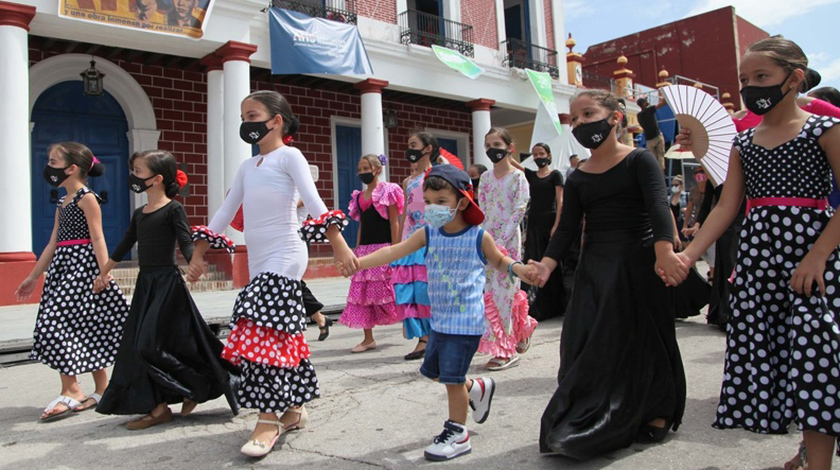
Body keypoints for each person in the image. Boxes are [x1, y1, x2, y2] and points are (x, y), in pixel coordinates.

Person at [675, 37, 840, 470]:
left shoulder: (824, 129)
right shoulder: (743, 143)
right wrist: (689, 255)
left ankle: (818, 459)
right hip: (758, 262)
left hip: (812, 259)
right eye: (745, 79)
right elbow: (728, 207)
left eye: (762, 77)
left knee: (817, 359)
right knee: (779, 358)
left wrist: (818, 255)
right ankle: (807, 449)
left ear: (795, 78)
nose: (751, 87)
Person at [187, 90, 357, 458]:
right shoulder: (248, 167)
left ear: (276, 120)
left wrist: (340, 245)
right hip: (260, 259)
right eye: (243, 116)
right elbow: (224, 211)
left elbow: (314, 202)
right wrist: (198, 253)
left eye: (253, 115)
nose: (246, 123)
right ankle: (293, 410)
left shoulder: (289, 156)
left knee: (259, 331)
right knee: (279, 334)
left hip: (286, 253)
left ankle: (268, 419)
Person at [527, 89, 687, 459]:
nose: (581, 123)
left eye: (588, 114)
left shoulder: (640, 160)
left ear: (615, 117)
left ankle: (657, 410)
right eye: (575, 118)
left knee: (644, 339)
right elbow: (567, 228)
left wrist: (664, 249)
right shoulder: (578, 175)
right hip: (595, 265)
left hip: (638, 262)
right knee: (583, 341)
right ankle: (583, 416)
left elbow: (658, 205)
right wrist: (547, 265)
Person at [338, 165, 536, 461]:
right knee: (435, 374)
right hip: (439, 321)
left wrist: (521, 269)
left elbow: (499, 260)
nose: (433, 208)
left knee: (451, 381)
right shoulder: (427, 234)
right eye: (428, 201)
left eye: (441, 201)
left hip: (466, 321)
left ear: (462, 201)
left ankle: (458, 433)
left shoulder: (478, 237)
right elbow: (393, 251)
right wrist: (359, 263)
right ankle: (477, 388)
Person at [94, 150, 238, 428]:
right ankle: (159, 408)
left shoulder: (173, 209)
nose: (133, 176)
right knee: (141, 345)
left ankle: (196, 386)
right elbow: (126, 243)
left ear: (157, 179)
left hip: (167, 284)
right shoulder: (140, 213)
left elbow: (185, 241)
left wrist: (195, 262)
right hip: (145, 284)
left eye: (138, 171)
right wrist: (105, 270)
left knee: (148, 345)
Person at [15, 142, 130, 421]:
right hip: (62, 268)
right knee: (81, 325)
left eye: (53, 162)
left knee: (55, 324)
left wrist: (104, 272)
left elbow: (98, 236)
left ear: (71, 168)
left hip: (82, 267)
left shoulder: (86, 197)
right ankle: (101, 388)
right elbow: (54, 241)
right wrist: (33, 276)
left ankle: (73, 389)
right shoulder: (61, 200)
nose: (48, 167)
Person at [477, 128, 536, 370]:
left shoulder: (518, 178)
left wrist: (502, 239)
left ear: (510, 147)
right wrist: (482, 238)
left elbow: (519, 210)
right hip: (487, 242)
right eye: (488, 144)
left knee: (506, 293)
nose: (492, 149)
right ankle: (520, 332)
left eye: (497, 143)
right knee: (490, 294)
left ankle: (506, 350)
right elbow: (481, 209)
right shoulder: (485, 178)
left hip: (509, 244)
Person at [340, 154, 404, 352]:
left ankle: (412, 324)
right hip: (365, 251)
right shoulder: (358, 197)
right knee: (362, 295)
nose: (362, 173)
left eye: (365, 168)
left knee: (392, 290)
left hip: (384, 248)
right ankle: (368, 338)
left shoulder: (388, 191)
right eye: (359, 170)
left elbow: (394, 221)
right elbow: (361, 226)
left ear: (377, 169)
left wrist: (395, 250)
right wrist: (357, 250)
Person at [392, 132, 439, 360]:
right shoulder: (407, 181)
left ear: (427, 148)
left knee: (426, 291)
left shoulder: (437, 175)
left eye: (414, 145)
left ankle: (432, 337)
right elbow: (405, 214)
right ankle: (422, 337)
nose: (409, 149)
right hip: (410, 240)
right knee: (408, 291)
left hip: (431, 239)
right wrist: (399, 244)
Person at [519, 142, 565, 320]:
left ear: (549, 155)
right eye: (535, 155)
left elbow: (560, 201)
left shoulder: (555, 175)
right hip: (534, 223)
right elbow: (516, 165)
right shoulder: (530, 175)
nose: (538, 157)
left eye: (541, 154)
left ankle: (555, 305)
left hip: (550, 220)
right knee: (532, 259)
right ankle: (533, 305)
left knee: (549, 261)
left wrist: (557, 225)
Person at [634, 95, 668, 170]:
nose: (647, 102)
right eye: (646, 101)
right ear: (644, 103)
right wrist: (666, 95)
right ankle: (662, 174)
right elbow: (663, 104)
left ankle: (657, 175)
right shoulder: (650, 110)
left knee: (654, 161)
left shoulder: (639, 115)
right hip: (657, 136)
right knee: (661, 156)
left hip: (649, 140)